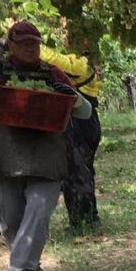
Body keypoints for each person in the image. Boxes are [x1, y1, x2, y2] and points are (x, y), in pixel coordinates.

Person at [0, 20, 92, 271]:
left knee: (39, 210)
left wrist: (72, 97)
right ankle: (30, 264)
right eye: (25, 44)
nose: (31, 49)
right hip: (8, 155)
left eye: (35, 44)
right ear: (11, 45)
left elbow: (85, 112)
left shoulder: (53, 74)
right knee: (9, 219)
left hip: (47, 153)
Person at [41, 40, 102, 229]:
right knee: (78, 169)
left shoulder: (81, 63)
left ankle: (85, 220)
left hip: (81, 118)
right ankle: (85, 218)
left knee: (78, 169)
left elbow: (63, 63)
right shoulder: (78, 60)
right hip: (82, 118)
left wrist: (33, 46)